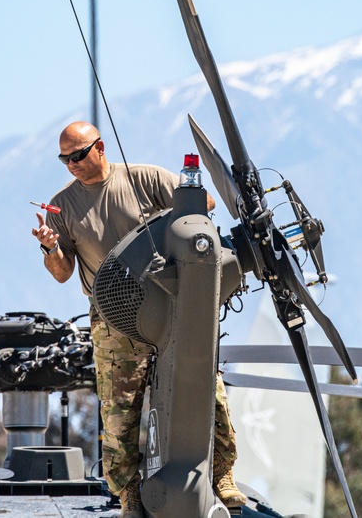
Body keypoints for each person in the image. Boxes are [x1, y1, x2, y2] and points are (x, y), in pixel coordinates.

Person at [32, 121, 247, 517]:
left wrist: (168, 222)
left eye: (78, 155)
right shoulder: (63, 206)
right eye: (65, 159)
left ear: (99, 147)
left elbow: (205, 208)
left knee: (206, 392)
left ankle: (222, 476)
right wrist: (50, 248)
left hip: (170, 308)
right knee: (119, 411)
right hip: (116, 321)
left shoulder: (145, 178)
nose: (72, 165)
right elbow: (62, 273)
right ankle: (129, 492)